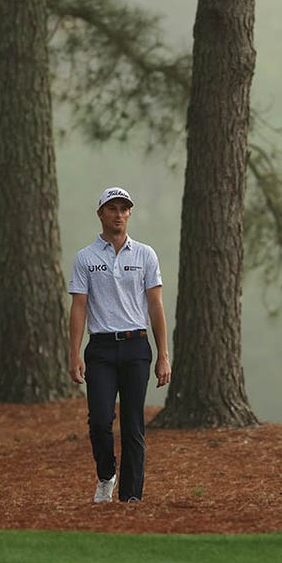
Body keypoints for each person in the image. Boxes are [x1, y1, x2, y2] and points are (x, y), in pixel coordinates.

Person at [68, 186, 171, 503]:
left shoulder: (145, 255)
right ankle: (106, 474)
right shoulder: (85, 258)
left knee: (133, 425)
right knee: (100, 421)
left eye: (124, 209)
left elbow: (155, 306)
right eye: (112, 208)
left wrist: (163, 355)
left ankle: (131, 498)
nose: (118, 214)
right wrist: (74, 354)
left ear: (129, 214)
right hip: (100, 349)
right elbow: (79, 307)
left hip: (136, 347)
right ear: (101, 214)